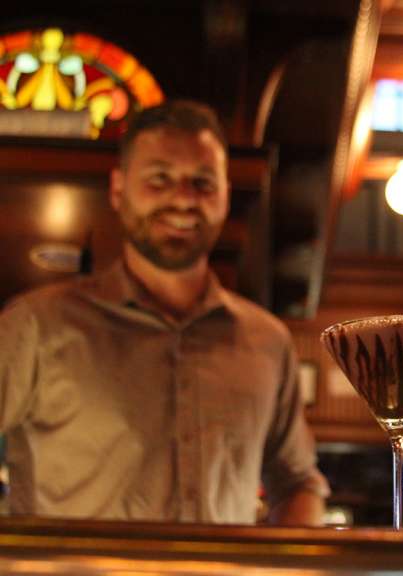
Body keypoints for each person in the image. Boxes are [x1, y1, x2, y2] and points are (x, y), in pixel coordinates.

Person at [0, 100, 329, 525]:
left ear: (227, 194)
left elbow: (298, 482)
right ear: (118, 189)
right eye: (160, 179)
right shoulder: (36, 325)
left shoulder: (267, 340)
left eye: (203, 182)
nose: (183, 198)